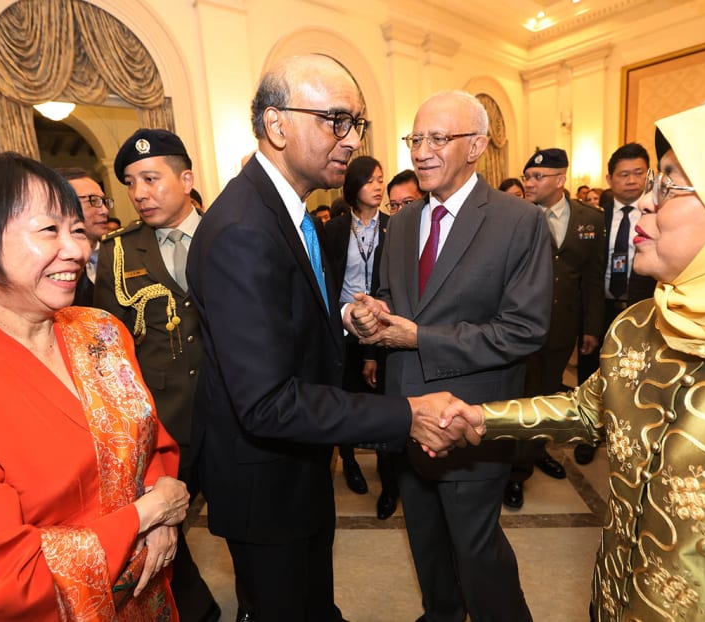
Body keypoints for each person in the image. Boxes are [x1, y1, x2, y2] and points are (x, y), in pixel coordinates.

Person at [442, 87, 705, 621]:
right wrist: (477, 417)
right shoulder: (640, 324)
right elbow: (587, 409)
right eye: (654, 180)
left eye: (671, 183)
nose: (649, 201)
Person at [185, 54, 482, 622]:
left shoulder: (287, 211)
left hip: (296, 463)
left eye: (358, 124)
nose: (350, 140)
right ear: (276, 125)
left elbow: (280, 318)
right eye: (335, 121)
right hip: (264, 485)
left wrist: (345, 316)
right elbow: (267, 401)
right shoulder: (244, 229)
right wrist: (406, 415)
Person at [351, 90, 553, 622]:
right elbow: (397, 302)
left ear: (477, 146)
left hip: (470, 418)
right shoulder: (402, 222)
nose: (421, 151)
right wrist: (373, 316)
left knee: (477, 553)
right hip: (405, 415)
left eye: (438, 138)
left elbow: (524, 330)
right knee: (426, 547)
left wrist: (421, 338)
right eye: (416, 138)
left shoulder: (518, 221)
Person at [0, 152, 189, 621]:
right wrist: (147, 515)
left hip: (147, 594)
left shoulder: (100, 331)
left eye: (76, 228)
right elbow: (5, 576)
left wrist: (159, 499)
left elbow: (147, 438)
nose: (76, 248)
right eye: (48, 230)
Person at [94, 129, 221, 622]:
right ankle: (196, 609)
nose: (139, 192)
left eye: (150, 178)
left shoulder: (226, 233)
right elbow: (114, 350)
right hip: (164, 424)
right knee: (165, 532)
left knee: (249, 522)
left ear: (186, 179)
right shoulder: (118, 252)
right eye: (130, 182)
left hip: (232, 411)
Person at [503, 148, 606, 509]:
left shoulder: (589, 219)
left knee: (547, 396)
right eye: (527, 176)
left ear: (560, 179)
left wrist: (590, 328)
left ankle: (535, 452)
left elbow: (592, 280)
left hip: (562, 328)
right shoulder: (515, 217)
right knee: (521, 398)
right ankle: (516, 472)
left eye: (537, 177)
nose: (529, 183)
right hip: (521, 327)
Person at [325, 155, 399, 519]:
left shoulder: (394, 227)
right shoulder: (335, 230)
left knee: (383, 403)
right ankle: (350, 461)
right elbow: (325, 283)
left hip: (384, 326)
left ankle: (390, 482)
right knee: (346, 399)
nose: (378, 186)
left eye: (380, 179)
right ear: (353, 186)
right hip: (342, 327)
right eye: (370, 180)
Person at [574, 142, 656, 466]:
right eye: (624, 174)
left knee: (635, 375)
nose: (631, 180)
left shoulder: (657, 213)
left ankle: (630, 440)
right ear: (610, 178)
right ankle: (588, 434)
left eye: (638, 173)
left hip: (641, 306)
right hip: (600, 307)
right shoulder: (593, 216)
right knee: (591, 372)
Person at [56, 167, 112, 306]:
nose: (104, 210)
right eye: (93, 201)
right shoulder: (55, 264)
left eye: (104, 201)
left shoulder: (120, 254)